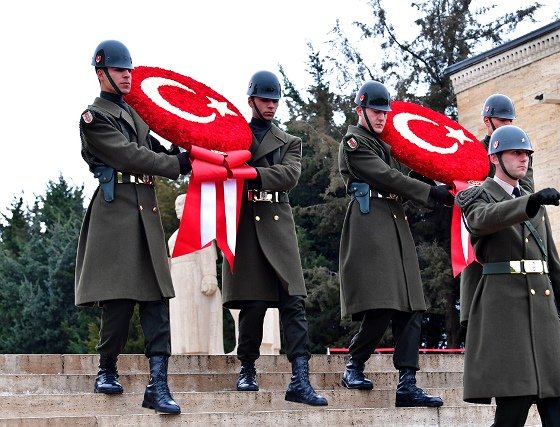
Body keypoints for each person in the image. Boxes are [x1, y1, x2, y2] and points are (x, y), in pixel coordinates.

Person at [75, 40, 191, 415]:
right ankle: (106, 368)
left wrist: (190, 153)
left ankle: (158, 385)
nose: (127, 75)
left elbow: (157, 149)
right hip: (117, 214)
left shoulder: (138, 114)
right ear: (101, 73)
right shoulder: (94, 118)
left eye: (129, 69)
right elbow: (131, 156)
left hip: (147, 211)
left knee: (157, 300)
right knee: (119, 302)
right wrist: (176, 165)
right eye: (119, 69)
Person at [338, 80, 453, 408]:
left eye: (384, 112)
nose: (381, 117)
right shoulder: (354, 142)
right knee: (382, 304)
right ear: (360, 109)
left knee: (412, 306)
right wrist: (430, 193)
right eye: (375, 111)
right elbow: (388, 177)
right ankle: (354, 365)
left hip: (394, 221)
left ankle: (407, 383)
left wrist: (435, 178)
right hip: (370, 222)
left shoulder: (387, 143)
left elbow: (407, 169)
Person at [455, 124, 560, 426]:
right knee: (514, 406)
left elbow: (550, 255)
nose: (524, 159)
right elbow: (482, 221)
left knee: (558, 405)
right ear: (495, 157)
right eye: (516, 153)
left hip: (542, 308)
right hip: (504, 311)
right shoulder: (476, 195)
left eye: (527, 154)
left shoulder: (533, 199)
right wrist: (528, 203)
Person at [221, 70, 327, 406]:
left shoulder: (289, 142)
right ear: (251, 100)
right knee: (252, 305)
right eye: (265, 99)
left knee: (293, 301)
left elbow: (288, 175)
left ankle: (300, 378)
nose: (270, 106)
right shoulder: (232, 135)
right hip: (245, 224)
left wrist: (248, 171)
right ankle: (247, 369)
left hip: (278, 223)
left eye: (274, 100)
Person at [459, 94, 534, 332]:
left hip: (513, 223)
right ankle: (470, 321)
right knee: (475, 271)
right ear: (487, 121)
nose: (507, 126)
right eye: (502, 121)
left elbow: (527, 190)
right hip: (482, 220)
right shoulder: (471, 151)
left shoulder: (519, 148)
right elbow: (463, 188)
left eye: (510, 121)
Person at [167, 194, 224, 355]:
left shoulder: (200, 228)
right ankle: (180, 349)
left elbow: (207, 252)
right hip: (177, 278)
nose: (176, 207)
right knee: (180, 317)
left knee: (196, 316)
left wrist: (209, 275)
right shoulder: (174, 236)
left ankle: (198, 349)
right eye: (176, 204)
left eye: (181, 204)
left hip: (194, 276)